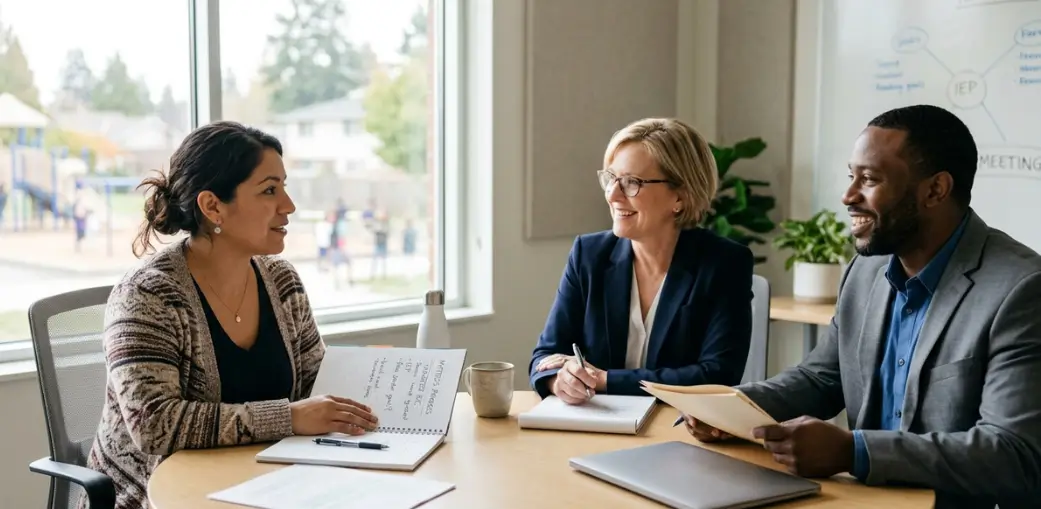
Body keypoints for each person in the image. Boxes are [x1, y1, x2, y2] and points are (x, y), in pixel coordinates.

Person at [683, 104, 1041, 508]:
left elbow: (1014, 453)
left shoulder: (1020, 289)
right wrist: (731, 411)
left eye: (869, 179)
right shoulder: (866, 271)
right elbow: (821, 379)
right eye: (851, 176)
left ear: (935, 190)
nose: (848, 195)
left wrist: (855, 452)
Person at [82, 121, 379, 509]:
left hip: (265, 486)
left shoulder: (281, 280)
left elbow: (312, 386)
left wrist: (371, 378)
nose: (288, 205)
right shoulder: (148, 294)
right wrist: (288, 418)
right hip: (156, 497)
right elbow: (155, 425)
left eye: (284, 187)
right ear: (212, 206)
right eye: (269, 190)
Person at [528, 117, 754, 404]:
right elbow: (545, 356)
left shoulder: (724, 264)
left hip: (678, 430)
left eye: (632, 183)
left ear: (680, 196)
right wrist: (561, 378)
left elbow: (717, 375)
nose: (612, 195)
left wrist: (605, 380)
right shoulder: (589, 254)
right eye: (611, 179)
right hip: (597, 425)